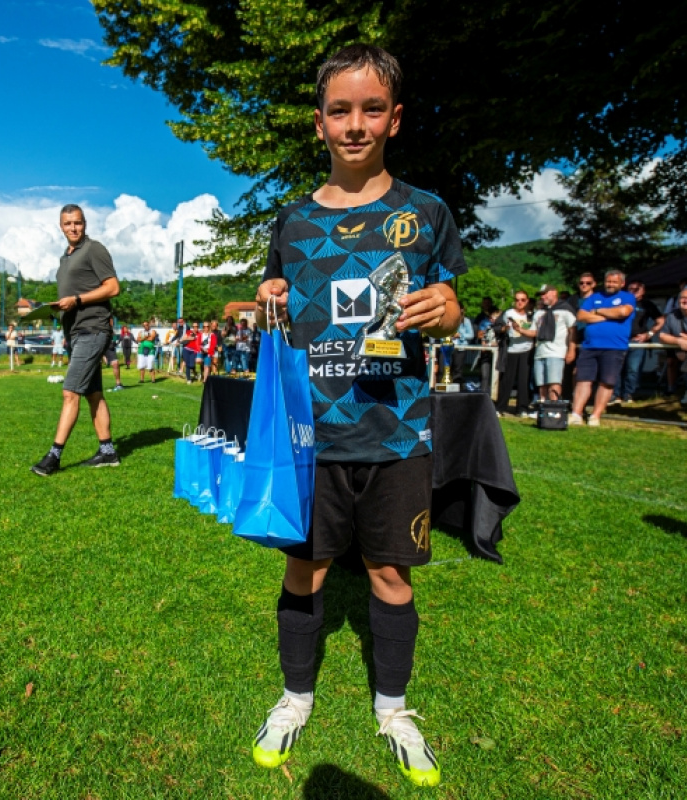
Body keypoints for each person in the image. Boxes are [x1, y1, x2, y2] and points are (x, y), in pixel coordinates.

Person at [251, 44, 466, 788]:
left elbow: (450, 304)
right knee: (304, 568)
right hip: (311, 438)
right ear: (319, 124)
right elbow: (273, 300)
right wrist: (268, 301)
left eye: (371, 109)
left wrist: (448, 311)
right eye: (340, 110)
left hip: (399, 431)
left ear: (395, 119)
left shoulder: (427, 213)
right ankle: (294, 696)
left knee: (390, 575)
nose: (355, 124)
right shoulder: (291, 220)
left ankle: (394, 708)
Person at [31, 204, 121, 476]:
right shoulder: (65, 258)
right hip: (76, 332)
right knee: (93, 394)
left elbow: (113, 287)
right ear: (61, 226)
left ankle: (53, 457)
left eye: (78, 223)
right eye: (68, 224)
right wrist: (58, 309)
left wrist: (78, 300)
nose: (74, 228)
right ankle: (108, 452)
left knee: (70, 392)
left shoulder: (94, 249)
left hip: (92, 330)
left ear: (85, 224)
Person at [569, 270, 635, 427]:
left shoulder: (627, 297)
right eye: (608, 281)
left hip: (614, 347)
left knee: (607, 382)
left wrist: (598, 311)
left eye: (614, 282)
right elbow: (581, 316)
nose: (610, 284)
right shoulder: (595, 297)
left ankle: (595, 416)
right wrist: (611, 315)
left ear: (622, 283)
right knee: (583, 380)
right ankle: (576, 414)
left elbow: (623, 312)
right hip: (590, 346)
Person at [610, 280, 664, 404]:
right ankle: (614, 395)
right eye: (630, 289)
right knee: (616, 368)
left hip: (637, 341)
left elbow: (661, 320)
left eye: (636, 289)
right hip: (618, 340)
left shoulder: (647, 304)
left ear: (643, 291)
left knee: (633, 369)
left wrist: (648, 334)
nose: (633, 291)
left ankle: (628, 394)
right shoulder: (619, 302)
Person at [523, 285, 576, 404]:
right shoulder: (540, 312)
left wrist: (571, 350)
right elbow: (534, 332)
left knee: (554, 381)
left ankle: (553, 406)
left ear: (554, 292)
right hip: (540, 351)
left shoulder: (565, 309)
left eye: (545, 294)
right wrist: (520, 330)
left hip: (556, 351)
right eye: (541, 294)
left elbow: (573, 330)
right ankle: (542, 406)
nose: (543, 297)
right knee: (541, 383)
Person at [495, 291, 534, 416]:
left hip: (526, 350)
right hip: (511, 350)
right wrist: (504, 329)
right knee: (507, 380)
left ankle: (522, 408)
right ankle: (500, 407)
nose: (520, 302)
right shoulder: (508, 313)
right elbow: (496, 328)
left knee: (524, 381)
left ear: (527, 301)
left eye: (523, 300)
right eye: (517, 300)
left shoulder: (531, 315)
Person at [658, 287, 687, 405]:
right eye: (682, 298)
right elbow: (662, 336)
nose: (684, 301)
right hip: (680, 352)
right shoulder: (672, 316)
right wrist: (679, 342)